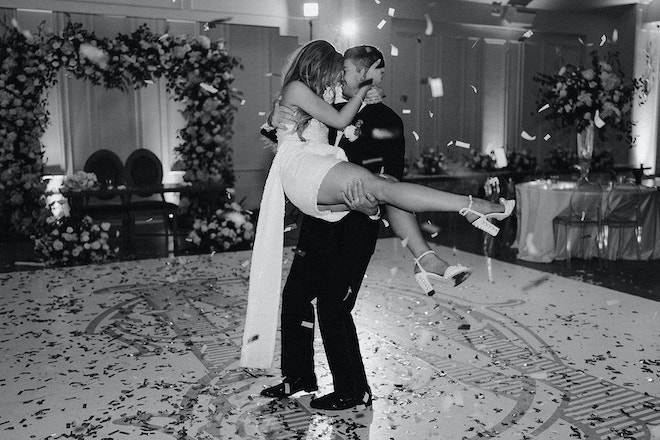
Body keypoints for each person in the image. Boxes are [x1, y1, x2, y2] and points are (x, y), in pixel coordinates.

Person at [240, 40, 513, 373]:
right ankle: (296, 380)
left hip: (355, 222)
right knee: (296, 298)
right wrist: (271, 119)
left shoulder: (385, 117)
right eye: (341, 71)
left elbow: (390, 182)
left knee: (334, 308)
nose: (341, 77)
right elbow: (290, 130)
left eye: (349, 71)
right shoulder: (322, 96)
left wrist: (369, 210)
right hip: (317, 210)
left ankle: (353, 391)